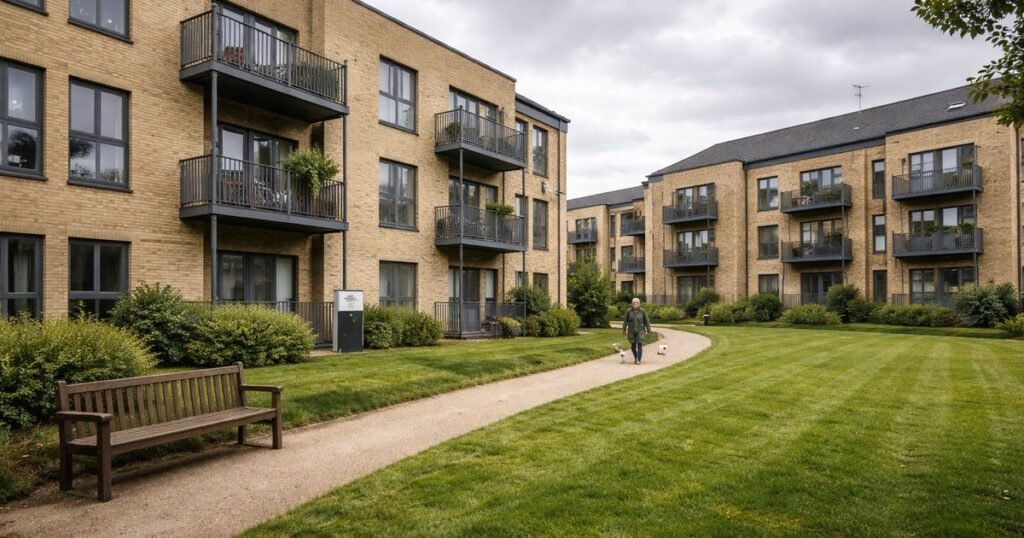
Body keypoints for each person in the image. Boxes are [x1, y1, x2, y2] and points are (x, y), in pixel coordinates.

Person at [622, 298, 651, 364]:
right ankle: (636, 357)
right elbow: (625, 321)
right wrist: (624, 330)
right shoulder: (628, 311)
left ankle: (638, 359)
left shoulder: (643, 311)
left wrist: (648, 329)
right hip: (631, 330)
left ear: (639, 304)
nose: (635, 304)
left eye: (637, 303)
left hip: (640, 330)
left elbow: (646, 321)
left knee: (640, 344)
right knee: (633, 346)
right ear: (632, 304)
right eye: (634, 303)